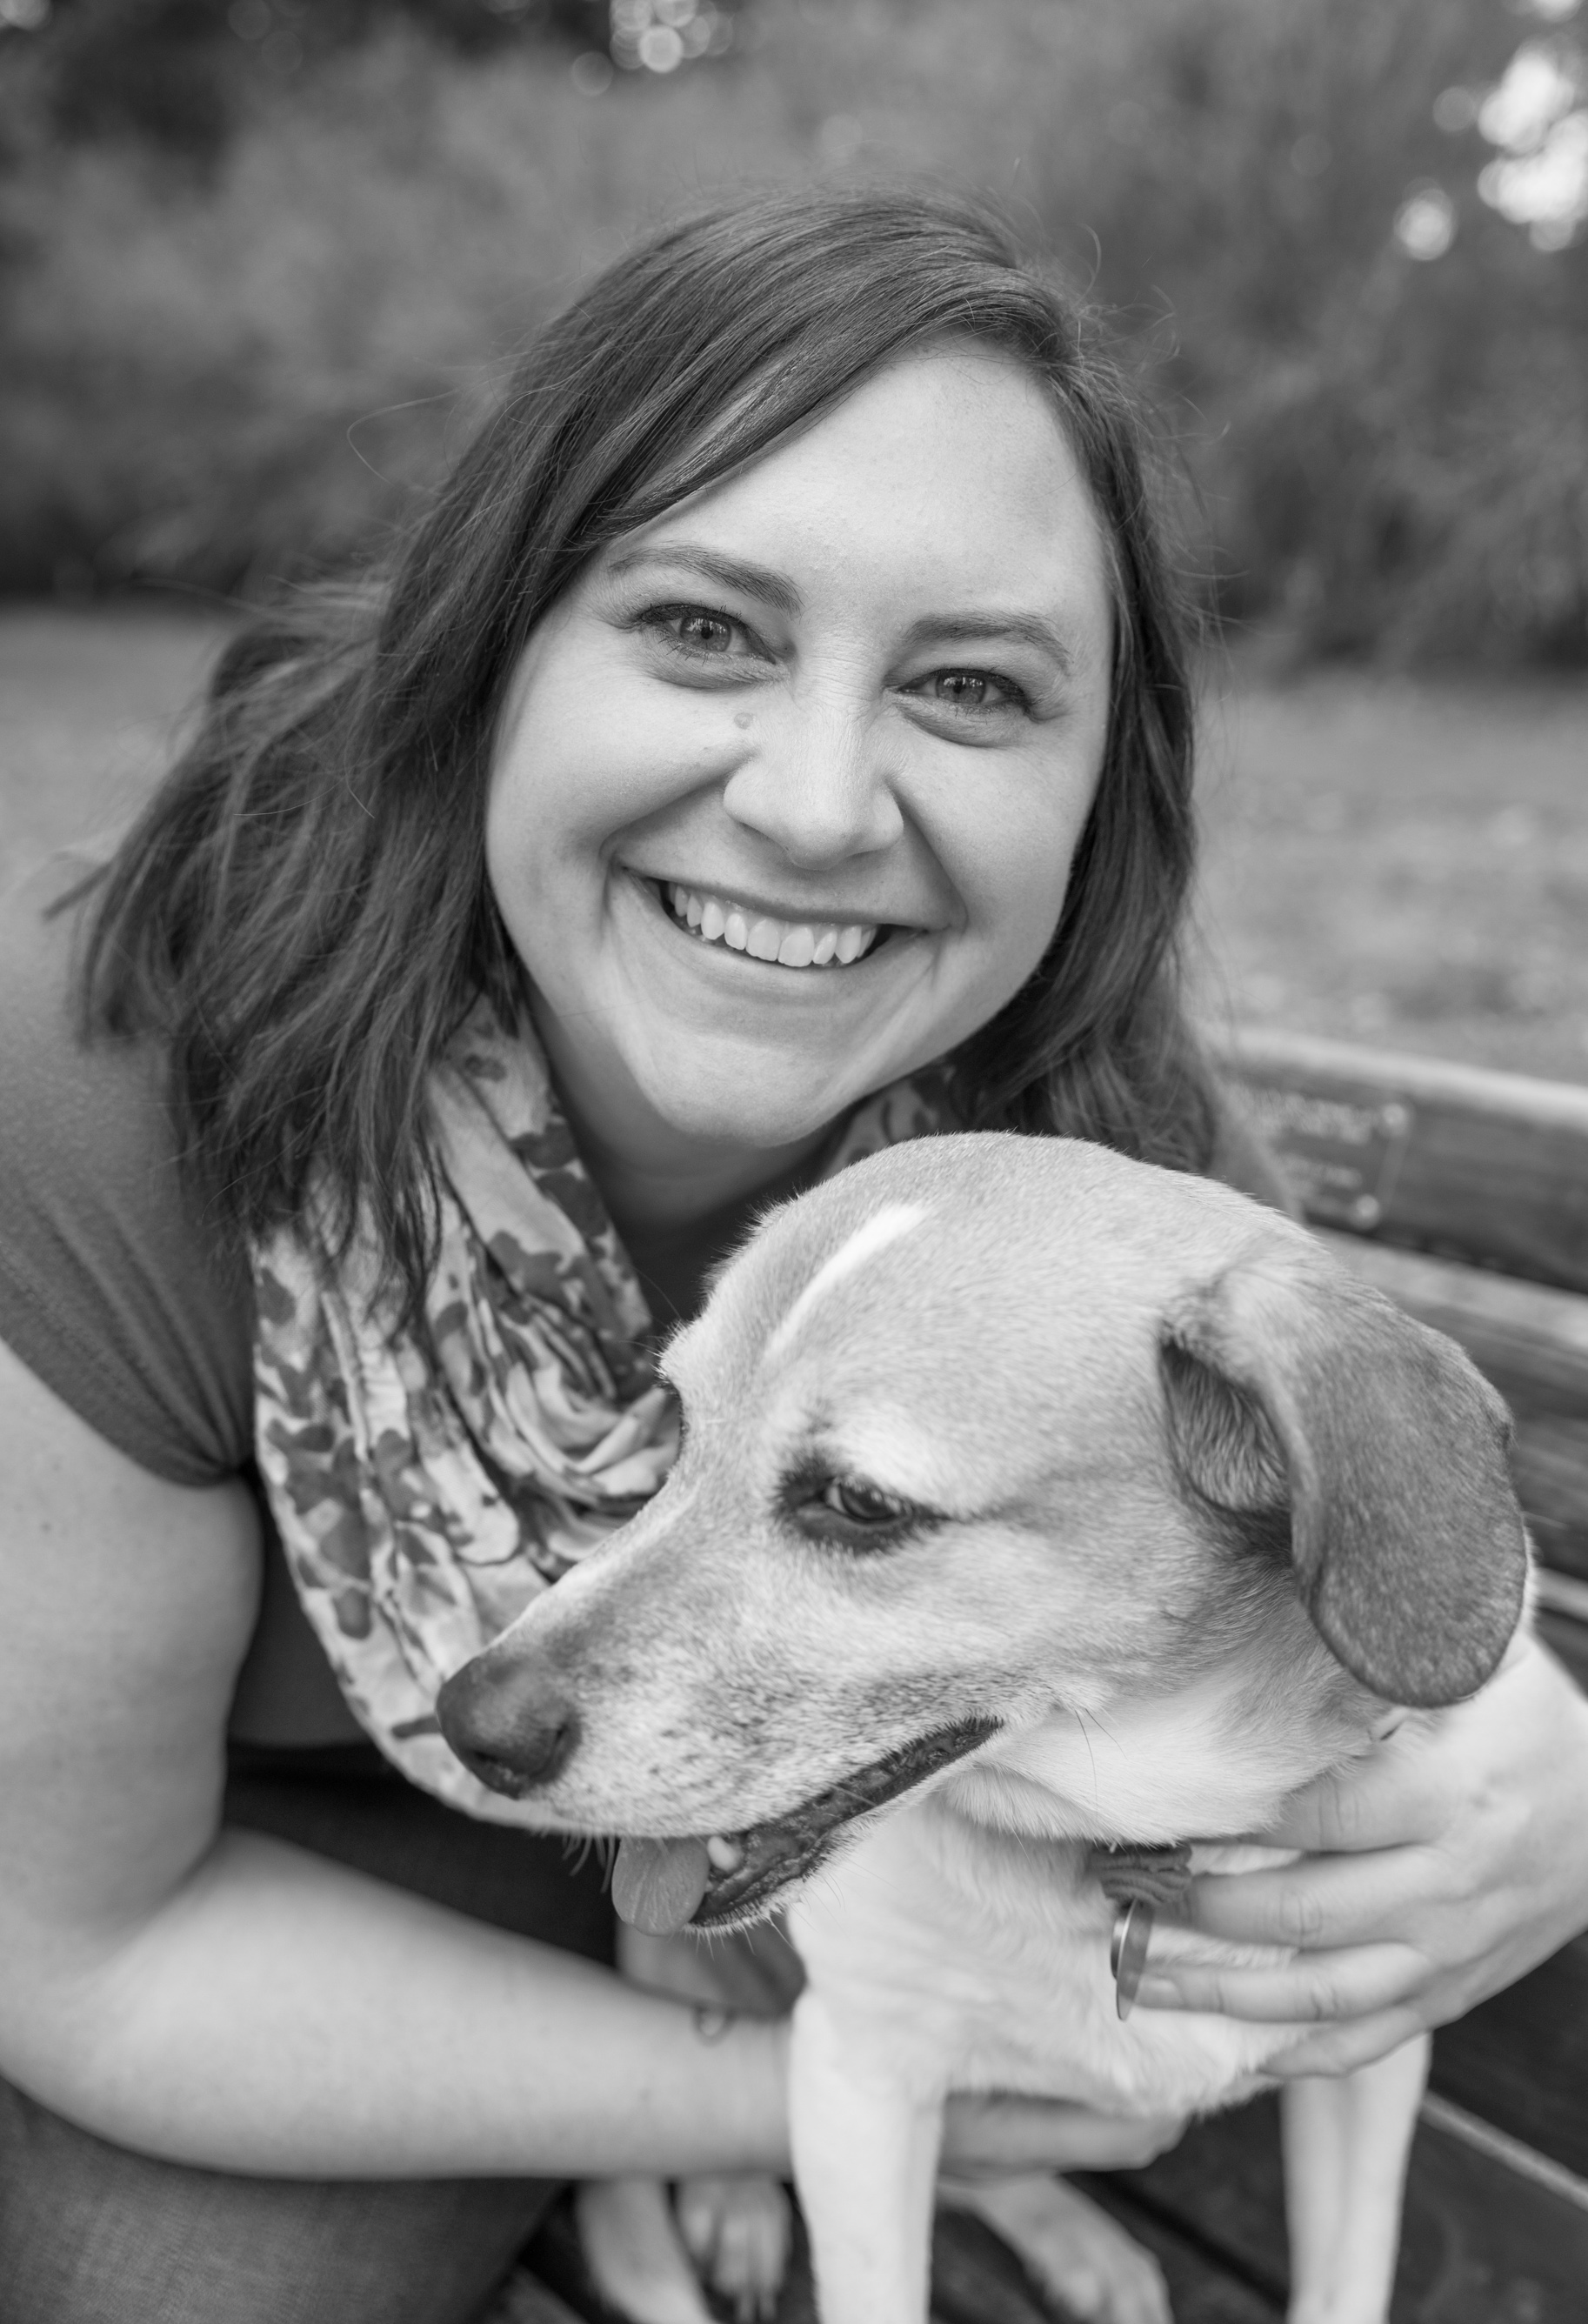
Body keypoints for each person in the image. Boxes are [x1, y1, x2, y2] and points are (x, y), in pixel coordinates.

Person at [0, 189, 1584, 2324]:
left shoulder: (1094, 1167)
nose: (819, 805)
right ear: (489, 648)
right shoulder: (101, 1076)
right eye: (704, 629)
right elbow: (81, 1955)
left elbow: (1395, 1551)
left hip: (764, 1850)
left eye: (970, 683)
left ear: (1097, 782)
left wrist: (1554, 1794)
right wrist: (839, 2090)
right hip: (247, 1871)